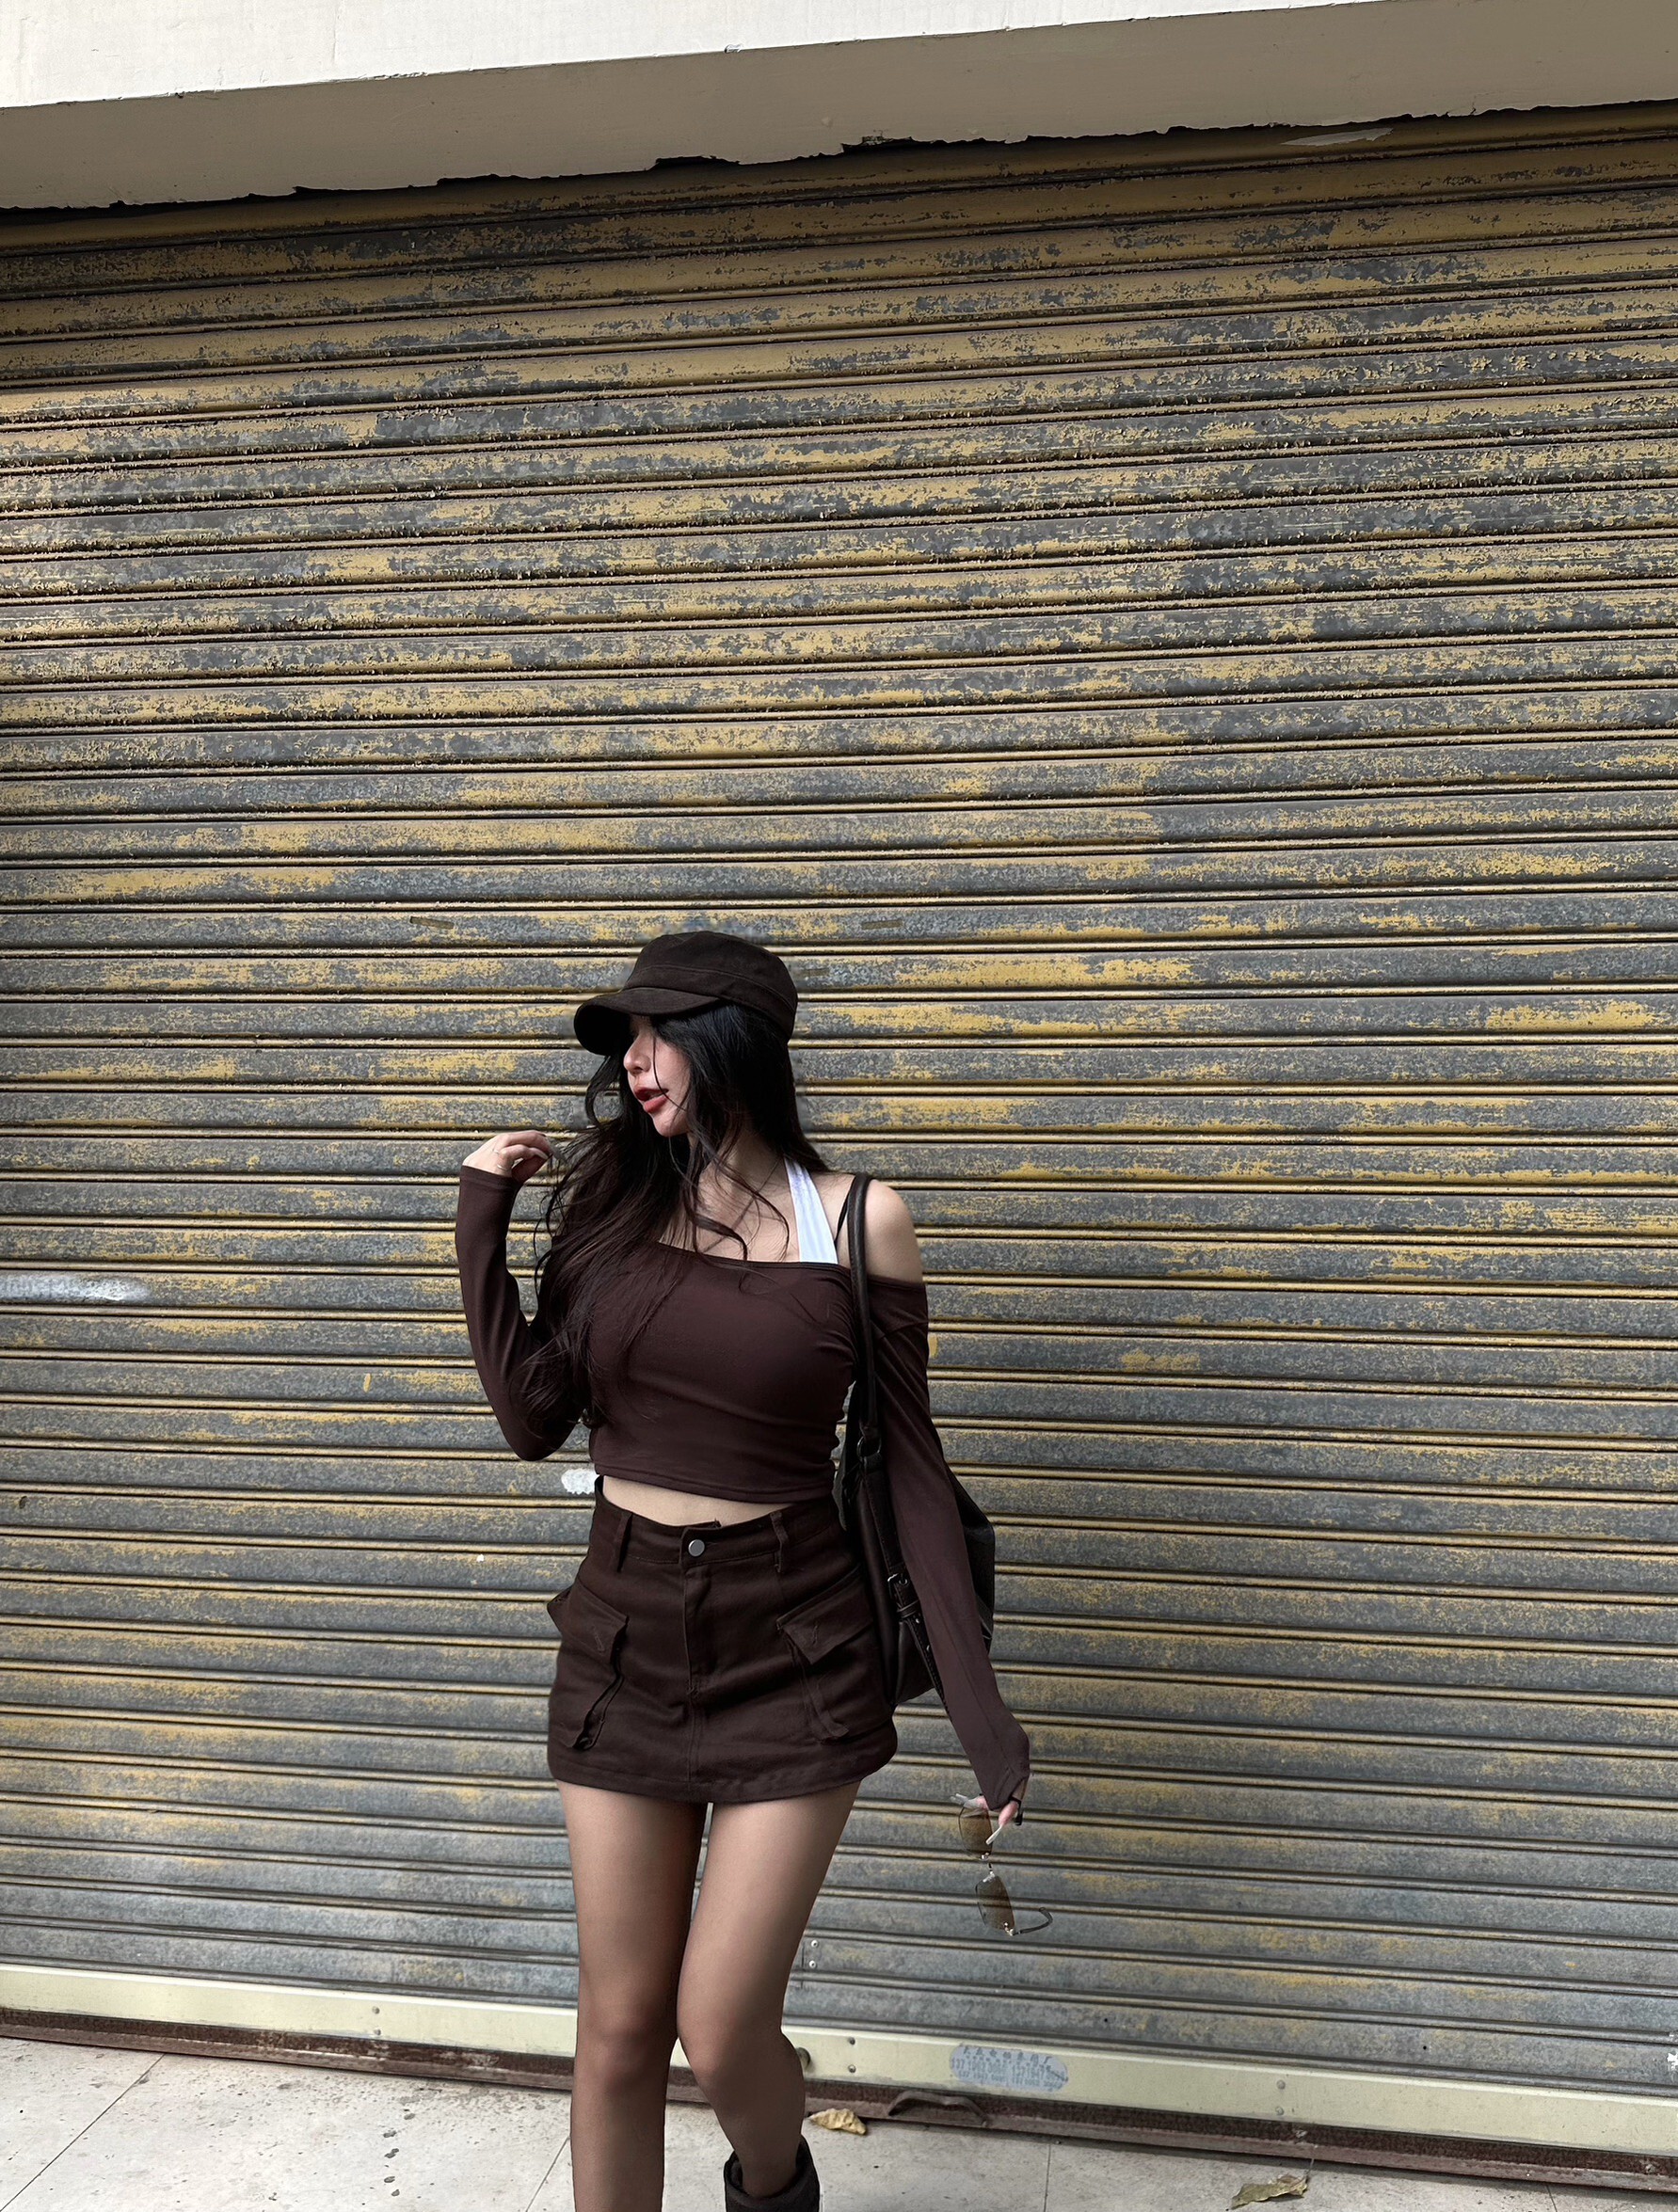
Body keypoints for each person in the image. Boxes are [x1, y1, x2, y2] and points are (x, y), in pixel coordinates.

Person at [455, 929, 1031, 2212]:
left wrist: (983, 1715)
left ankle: (774, 2179)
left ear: (731, 1046)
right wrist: (479, 1221)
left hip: (795, 1647)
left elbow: (911, 1472)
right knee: (618, 2028)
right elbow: (532, 1418)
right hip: (625, 1636)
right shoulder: (614, 1209)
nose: (633, 1064)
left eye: (656, 1036)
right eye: (625, 1042)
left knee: (719, 2027)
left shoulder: (859, 1219)